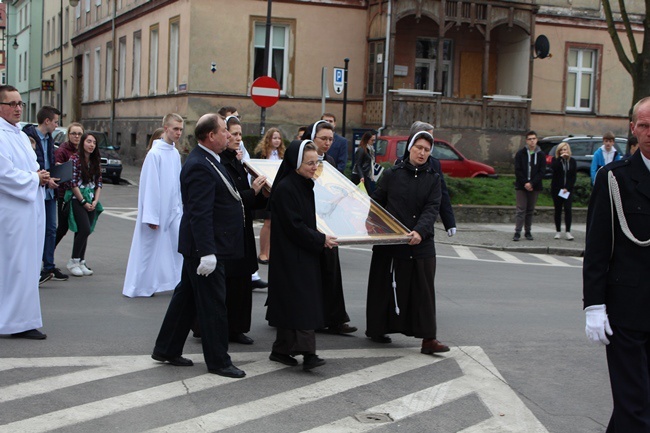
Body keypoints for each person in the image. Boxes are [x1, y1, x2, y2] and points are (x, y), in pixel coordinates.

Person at [152, 113, 245, 379]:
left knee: (187, 298)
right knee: (214, 304)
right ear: (211, 136)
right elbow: (199, 213)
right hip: (204, 248)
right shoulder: (198, 165)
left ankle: (166, 348)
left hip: (205, 246)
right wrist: (207, 252)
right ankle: (219, 361)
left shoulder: (211, 160)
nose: (229, 135)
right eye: (224, 131)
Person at [583, 96, 650, 431]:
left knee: (638, 408)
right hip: (627, 312)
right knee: (634, 403)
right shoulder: (614, 178)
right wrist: (594, 305)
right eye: (645, 125)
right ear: (633, 129)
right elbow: (597, 248)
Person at [365, 131, 448, 354]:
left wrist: (420, 231)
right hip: (392, 241)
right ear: (410, 148)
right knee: (384, 286)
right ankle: (377, 328)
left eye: (427, 150)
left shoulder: (433, 178)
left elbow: (432, 208)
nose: (422, 153)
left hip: (421, 242)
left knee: (423, 291)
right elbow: (377, 203)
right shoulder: (393, 174)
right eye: (418, 147)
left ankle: (429, 339)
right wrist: (371, 225)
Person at [266, 139, 337, 370]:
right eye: (309, 163)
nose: (313, 167)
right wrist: (320, 239)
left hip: (300, 252)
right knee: (304, 304)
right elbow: (294, 226)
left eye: (316, 163)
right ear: (296, 163)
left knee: (293, 304)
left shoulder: (304, 184)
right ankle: (309, 354)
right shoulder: (287, 188)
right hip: (291, 255)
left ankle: (281, 350)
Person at [0, 85, 50, 340]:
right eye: (12, 104)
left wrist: (42, 178)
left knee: (28, 265)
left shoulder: (19, 134)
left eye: (20, 103)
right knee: (15, 265)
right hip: (12, 212)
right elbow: (4, 174)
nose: (18, 108)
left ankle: (21, 318)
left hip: (29, 207)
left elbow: (30, 167)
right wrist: (34, 178)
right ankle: (14, 321)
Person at [302, 120, 357, 335]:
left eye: (330, 139)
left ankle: (336, 318)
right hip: (309, 223)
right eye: (323, 138)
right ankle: (311, 317)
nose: (327, 143)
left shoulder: (331, 160)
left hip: (328, 222)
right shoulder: (302, 158)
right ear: (313, 138)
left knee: (332, 272)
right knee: (310, 274)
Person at [122, 114, 184, 297]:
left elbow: (176, 183)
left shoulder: (174, 153)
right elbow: (150, 186)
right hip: (157, 210)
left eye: (181, 129)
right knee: (149, 249)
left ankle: (173, 282)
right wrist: (151, 215)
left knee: (175, 246)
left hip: (173, 209)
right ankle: (139, 286)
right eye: (175, 129)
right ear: (165, 129)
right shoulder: (154, 154)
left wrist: (179, 207)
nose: (179, 133)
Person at [220, 115, 268, 344]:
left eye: (240, 134)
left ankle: (237, 327)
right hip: (230, 234)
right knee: (230, 284)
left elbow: (246, 200)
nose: (239, 138)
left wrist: (263, 194)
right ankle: (225, 328)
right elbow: (231, 200)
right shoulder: (221, 163)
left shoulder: (237, 162)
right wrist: (254, 192)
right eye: (234, 134)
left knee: (241, 283)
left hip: (243, 229)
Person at [23, 106, 67, 284]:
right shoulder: (27, 137)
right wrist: (44, 177)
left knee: (50, 230)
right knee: (35, 230)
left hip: (50, 190)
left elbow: (47, 161)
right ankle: (32, 267)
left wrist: (55, 169)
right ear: (47, 121)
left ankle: (48, 267)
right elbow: (30, 164)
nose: (57, 125)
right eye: (56, 121)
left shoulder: (49, 138)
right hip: (36, 189)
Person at [404, 121, 457, 237]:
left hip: (424, 221)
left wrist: (449, 222)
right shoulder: (399, 166)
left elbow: (442, 193)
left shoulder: (434, 164)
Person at [65, 132, 103, 277]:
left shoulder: (95, 160)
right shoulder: (74, 159)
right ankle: (73, 261)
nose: (91, 145)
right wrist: (83, 201)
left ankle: (81, 260)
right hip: (78, 198)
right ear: (82, 143)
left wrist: (94, 201)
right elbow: (73, 183)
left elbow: (99, 183)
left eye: (94, 142)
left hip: (91, 196)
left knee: (85, 231)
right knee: (84, 229)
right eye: (88, 141)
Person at [254, 127, 285, 264]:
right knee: (268, 222)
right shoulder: (262, 153)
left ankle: (271, 252)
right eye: (274, 138)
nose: (277, 141)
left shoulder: (282, 154)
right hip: (267, 191)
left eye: (279, 138)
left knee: (276, 223)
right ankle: (263, 253)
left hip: (279, 190)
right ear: (269, 139)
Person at [54, 122, 84, 246]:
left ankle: (77, 259)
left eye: (79, 134)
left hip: (81, 194)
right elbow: (57, 171)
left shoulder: (83, 150)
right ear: (68, 135)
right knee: (63, 227)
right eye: (73, 134)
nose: (76, 136)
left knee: (82, 228)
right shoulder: (63, 150)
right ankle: (47, 256)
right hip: (65, 195)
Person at [513, 131, 546, 241]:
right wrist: (525, 183)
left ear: (537, 140)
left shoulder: (541, 155)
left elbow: (542, 171)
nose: (532, 141)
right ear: (526, 141)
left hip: (535, 186)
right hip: (522, 186)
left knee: (530, 210)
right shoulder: (520, 154)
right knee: (521, 209)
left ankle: (528, 231)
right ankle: (517, 231)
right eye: (530, 139)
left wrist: (532, 183)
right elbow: (518, 170)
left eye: (534, 138)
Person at [550, 142, 577, 241]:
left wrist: (567, 188)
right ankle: (558, 231)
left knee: (568, 209)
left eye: (565, 149)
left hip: (568, 190)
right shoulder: (556, 160)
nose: (564, 151)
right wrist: (560, 159)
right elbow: (554, 169)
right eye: (562, 150)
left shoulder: (572, 161)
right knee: (558, 210)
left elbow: (573, 176)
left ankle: (568, 231)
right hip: (557, 189)